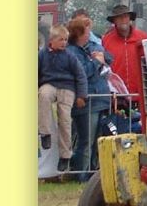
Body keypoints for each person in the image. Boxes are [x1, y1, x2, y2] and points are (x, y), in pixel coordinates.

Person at [67, 17, 113, 180]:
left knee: (97, 141)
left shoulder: (93, 45)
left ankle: (93, 175)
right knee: (86, 141)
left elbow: (109, 58)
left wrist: (102, 57)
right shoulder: (71, 52)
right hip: (87, 103)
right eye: (87, 30)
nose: (89, 33)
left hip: (101, 98)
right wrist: (96, 61)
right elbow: (82, 74)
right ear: (79, 33)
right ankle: (81, 175)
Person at [38, 25, 87, 172]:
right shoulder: (42, 55)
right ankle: (45, 133)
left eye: (66, 40)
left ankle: (65, 155)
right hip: (49, 84)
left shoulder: (70, 56)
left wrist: (81, 95)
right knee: (44, 95)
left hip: (67, 87)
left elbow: (80, 75)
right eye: (61, 40)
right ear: (51, 40)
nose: (64, 43)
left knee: (65, 120)